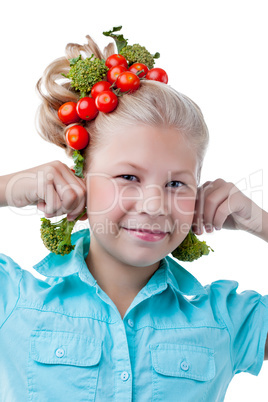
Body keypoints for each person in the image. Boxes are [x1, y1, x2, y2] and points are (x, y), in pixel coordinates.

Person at [0, 32, 268, 402]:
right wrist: (6, 187)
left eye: (177, 183)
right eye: (128, 177)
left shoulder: (226, 320)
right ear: (81, 180)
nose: (155, 204)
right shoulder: (12, 300)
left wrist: (260, 222)